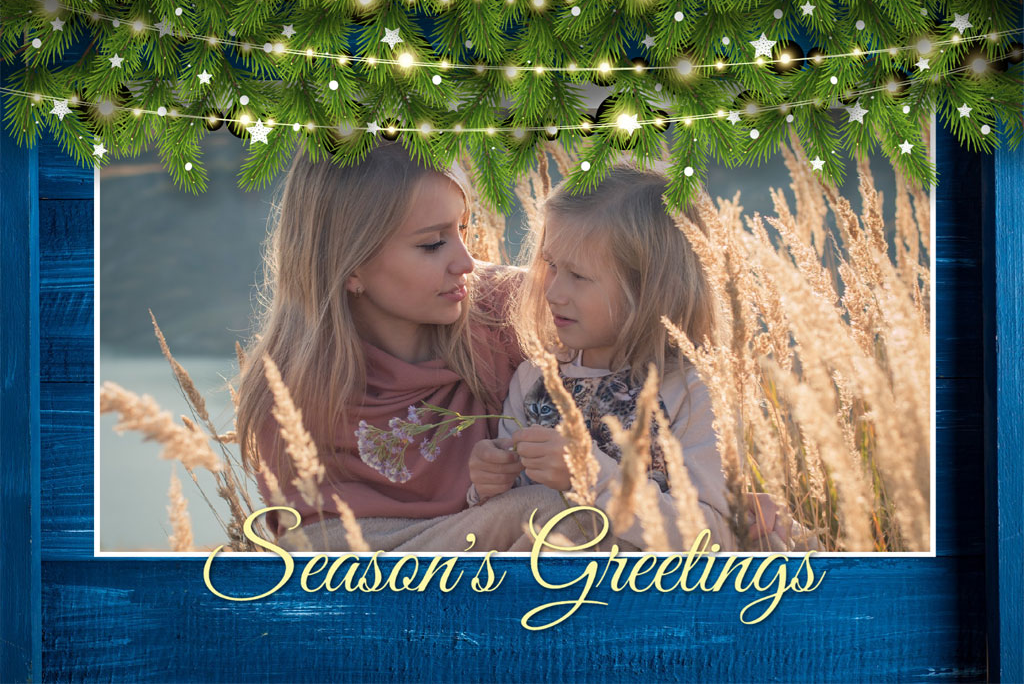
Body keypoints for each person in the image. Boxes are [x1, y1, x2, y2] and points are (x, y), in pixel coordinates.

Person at [235, 142, 571, 552]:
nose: (466, 262)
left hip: (490, 564)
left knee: (550, 514)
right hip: (365, 574)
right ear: (350, 264)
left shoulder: (510, 310)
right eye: (432, 244)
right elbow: (310, 547)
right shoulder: (289, 388)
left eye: (462, 230)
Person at [468, 165, 760, 551]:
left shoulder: (694, 393)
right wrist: (486, 487)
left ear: (650, 288)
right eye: (551, 265)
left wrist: (591, 474)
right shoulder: (534, 381)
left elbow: (715, 537)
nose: (553, 291)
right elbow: (513, 519)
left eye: (578, 275)